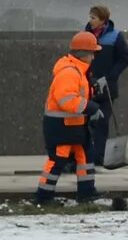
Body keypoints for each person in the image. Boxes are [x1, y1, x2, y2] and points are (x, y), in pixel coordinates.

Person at [35, 30, 101, 206]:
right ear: (83, 54)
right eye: (92, 53)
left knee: (85, 157)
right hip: (62, 126)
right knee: (57, 160)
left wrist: (93, 90)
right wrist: (91, 107)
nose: (94, 58)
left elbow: (74, 95)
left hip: (73, 125)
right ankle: (44, 197)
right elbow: (67, 100)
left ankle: (87, 193)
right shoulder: (70, 72)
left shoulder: (78, 71)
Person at [84, 5, 128, 170]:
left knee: (102, 122)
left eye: (93, 18)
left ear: (103, 20)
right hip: (87, 86)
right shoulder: (85, 36)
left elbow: (124, 59)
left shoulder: (115, 36)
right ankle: (86, 156)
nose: (90, 21)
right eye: (90, 17)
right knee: (87, 123)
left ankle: (99, 156)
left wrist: (111, 76)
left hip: (107, 88)